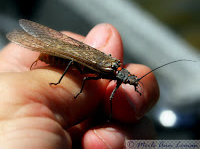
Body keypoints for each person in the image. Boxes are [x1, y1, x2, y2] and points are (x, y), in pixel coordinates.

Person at [0, 23, 159, 148]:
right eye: (130, 80)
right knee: (77, 71)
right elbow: (84, 80)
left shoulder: (116, 71)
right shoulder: (111, 70)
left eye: (130, 80)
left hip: (77, 57)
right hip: (65, 58)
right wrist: (63, 85)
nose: (130, 80)